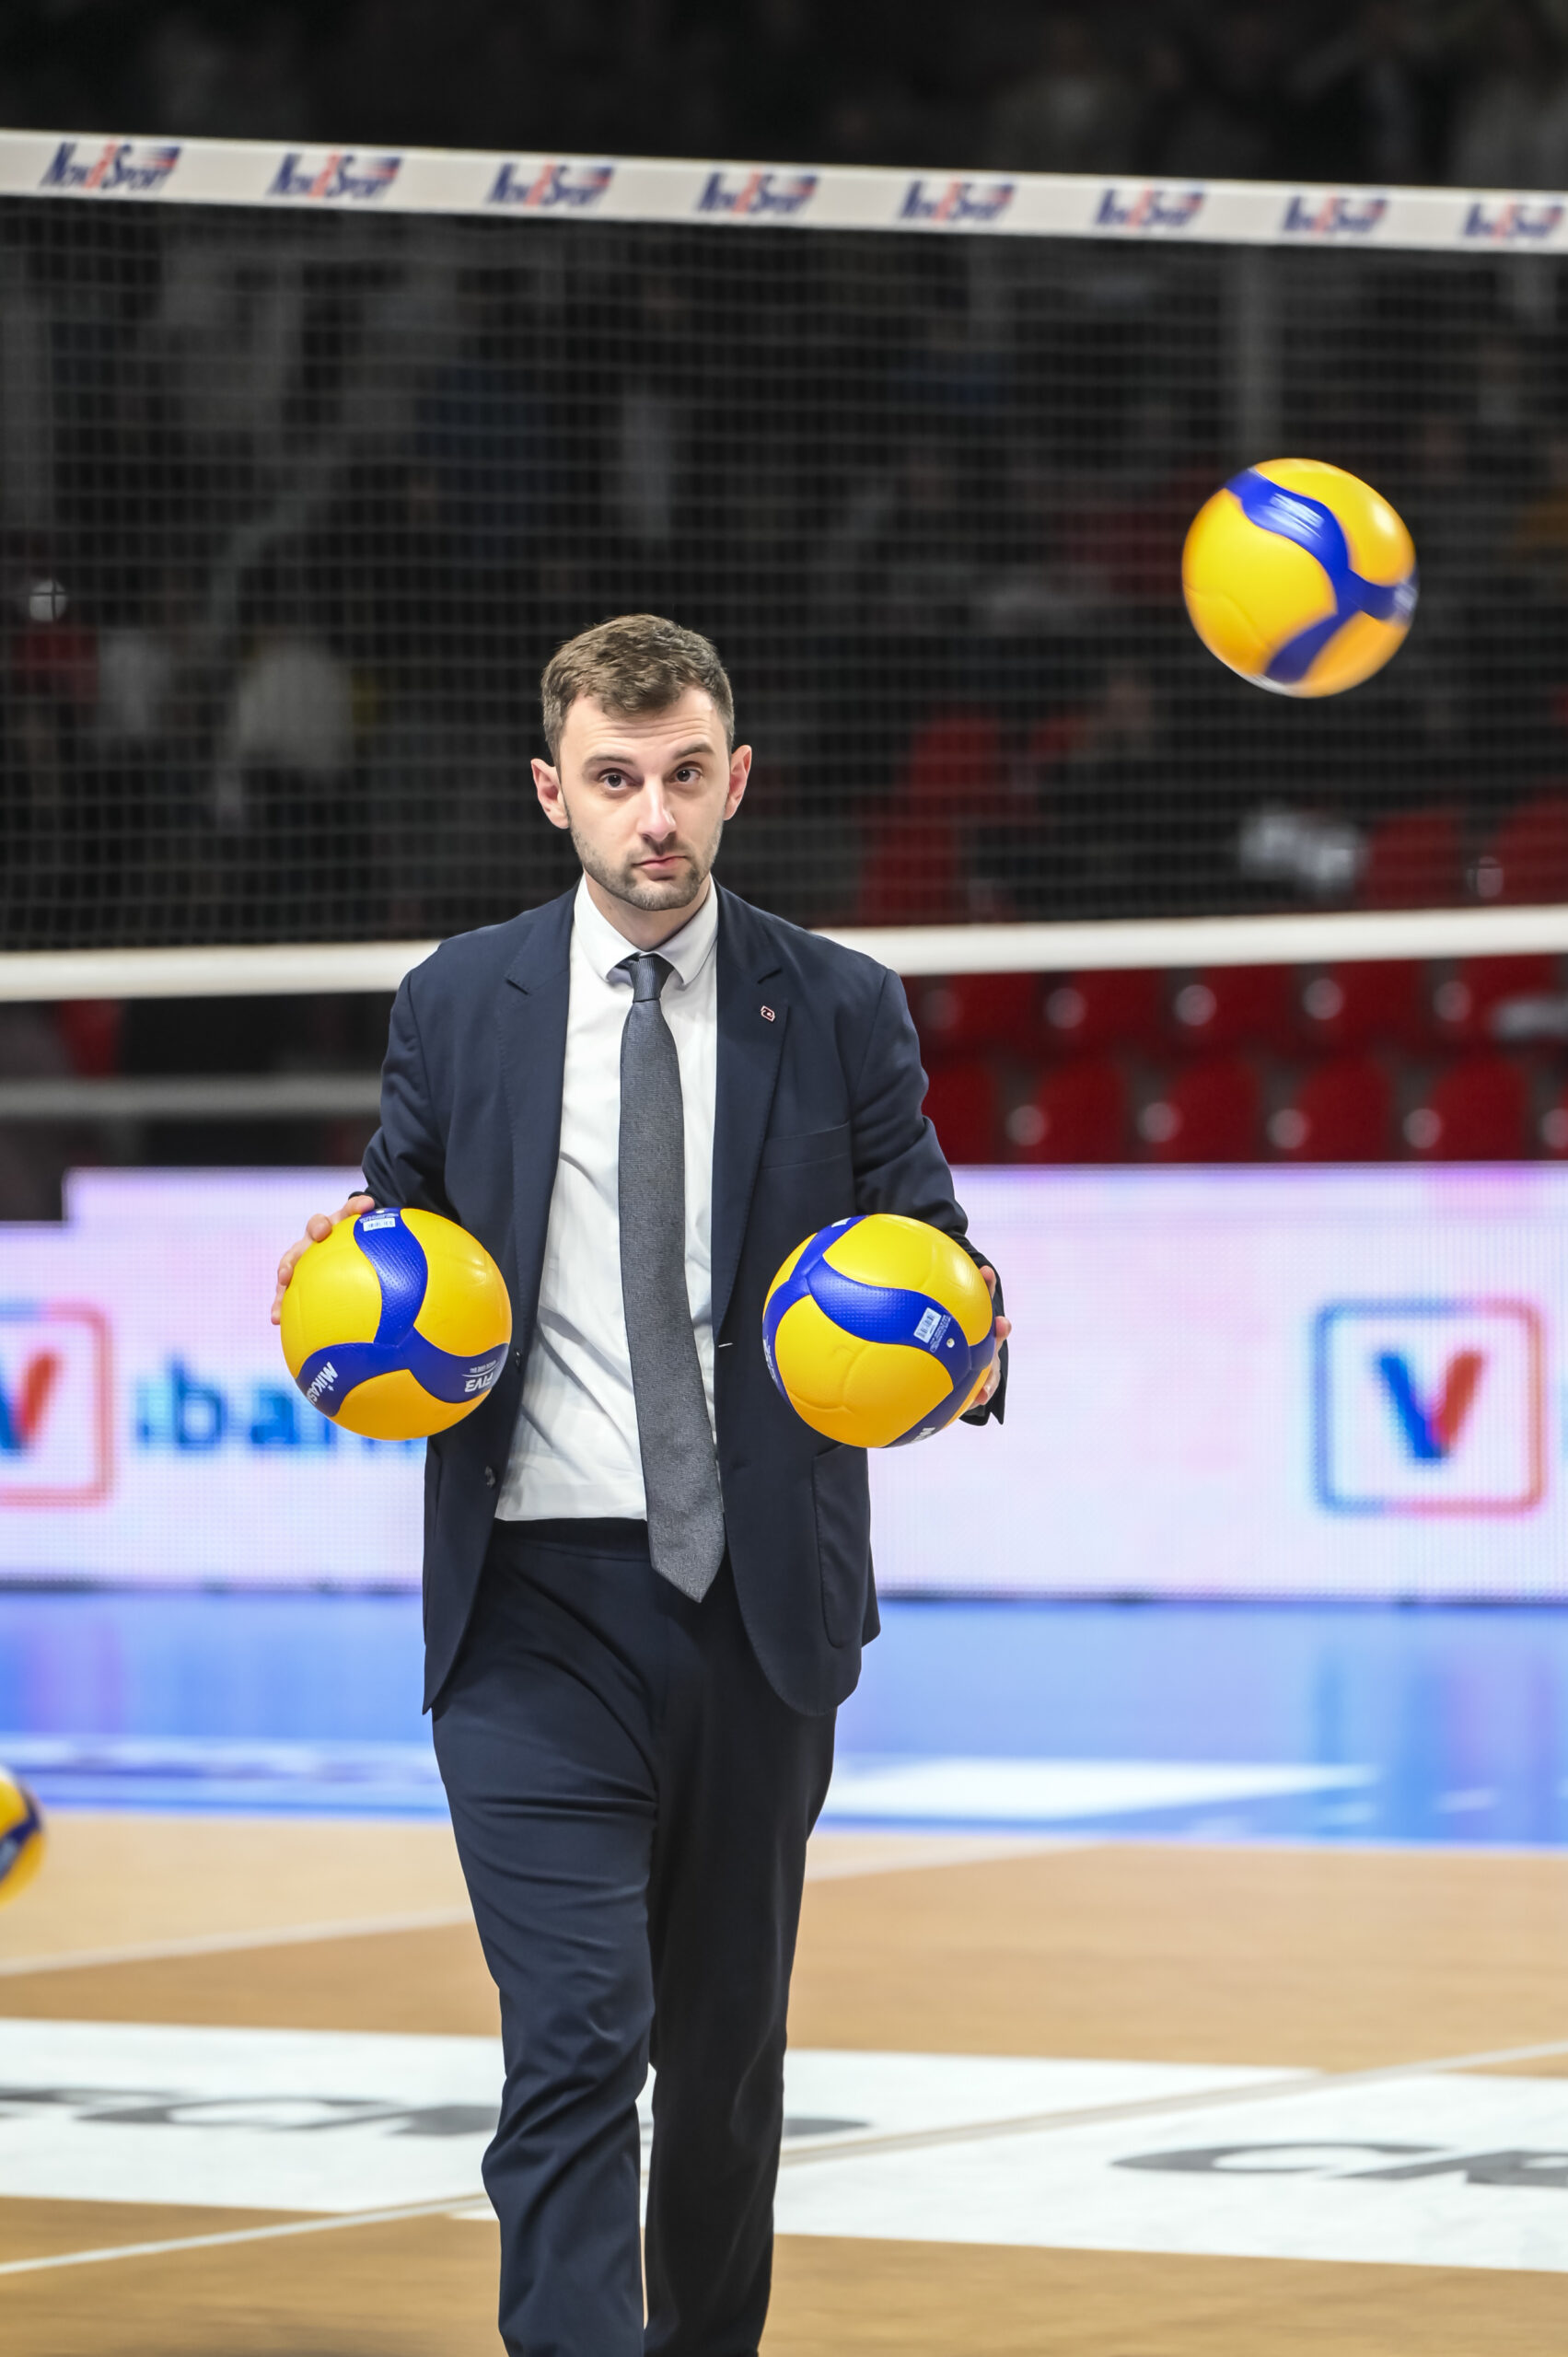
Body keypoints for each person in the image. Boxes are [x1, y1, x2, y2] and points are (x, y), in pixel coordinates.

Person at [271, 612, 1010, 2356]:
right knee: (577, 2035)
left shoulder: (840, 1004)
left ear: (736, 778)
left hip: (757, 1610)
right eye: (616, 780)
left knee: (725, 2066)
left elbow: (942, 1262)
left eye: (684, 776)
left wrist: (964, 1349)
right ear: (555, 793)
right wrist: (342, 1262)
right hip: (529, 1610)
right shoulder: (459, 1001)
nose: (654, 817)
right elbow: (394, 1228)